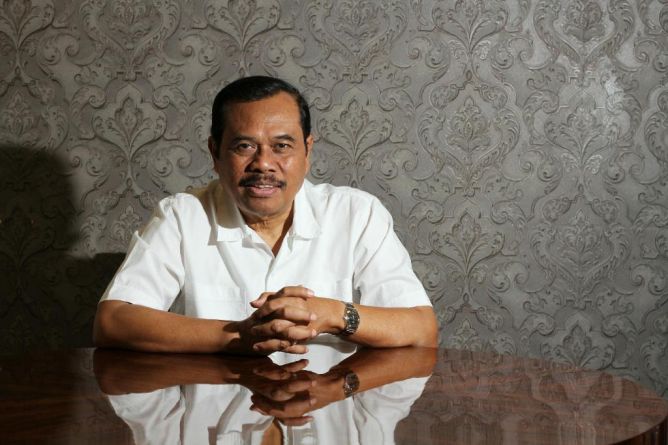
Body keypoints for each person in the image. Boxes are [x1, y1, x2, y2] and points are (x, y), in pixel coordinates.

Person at [93, 76, 437, 355]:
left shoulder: (356, 214)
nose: (263, 164)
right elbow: (113, 321)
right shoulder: (182, 216)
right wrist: (238, 336)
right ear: (215, 152)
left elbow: (421, 329)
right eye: (244, 146)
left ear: (307, 151)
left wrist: (331, 314)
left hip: (329, 405)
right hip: (213, 410)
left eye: (282, 146)